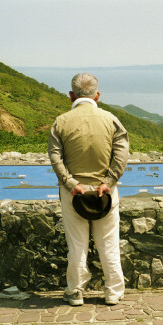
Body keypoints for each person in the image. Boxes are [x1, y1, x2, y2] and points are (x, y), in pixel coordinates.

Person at [48, 73, 129, 306]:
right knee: (109, 244)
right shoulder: (111, 120)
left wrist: (72, 184)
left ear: (71, 95)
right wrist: (108, 182)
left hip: (74, 193)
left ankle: (75, 292)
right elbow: (121, 155)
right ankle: (113, 292)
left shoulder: (60, 122)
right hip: (105, 193)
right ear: (97, 95)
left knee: (77, 245)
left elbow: (56, 158)